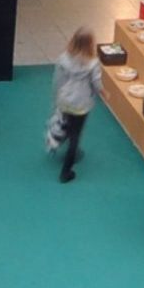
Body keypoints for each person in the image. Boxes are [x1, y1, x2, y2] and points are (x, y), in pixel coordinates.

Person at [49, 27, 103, 184]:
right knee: (76, 135)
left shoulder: (63, 59)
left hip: (65, 100)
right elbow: (96, 83)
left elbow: (58, 79)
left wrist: (57, 95)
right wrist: (102, 93)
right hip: (81, 103)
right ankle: (66, 172)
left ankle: (56, 140)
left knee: (65, 123)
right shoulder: (93, 63)